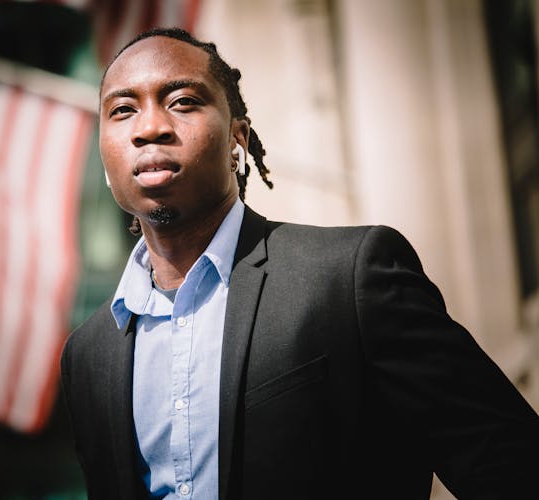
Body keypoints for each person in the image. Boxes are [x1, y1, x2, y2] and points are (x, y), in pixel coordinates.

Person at [60, 28, 539, 499]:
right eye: (123, 111)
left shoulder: (349, 277)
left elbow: (509, 464)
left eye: (183, 101)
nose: (149, 128)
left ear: (237, 140)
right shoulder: (88, 356)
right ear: (104, 158)